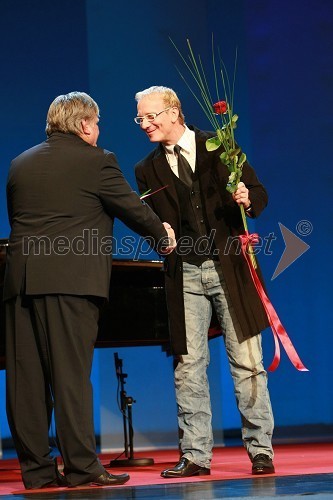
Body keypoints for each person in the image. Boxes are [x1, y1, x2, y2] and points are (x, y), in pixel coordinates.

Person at [4, 91, 176, 489]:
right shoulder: (97, 161)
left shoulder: (19, 164)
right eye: (97, 124)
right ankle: (82, 467)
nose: (99, 131)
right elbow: (130, 207)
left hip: (19, 283)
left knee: (26, 382)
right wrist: (161, 235)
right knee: (70, 377)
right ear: (84, 125)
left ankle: (37, 472)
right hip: (70, 282)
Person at [134, 86, 275, 477]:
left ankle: (260, 449)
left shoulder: (220, 148)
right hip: (185, 272)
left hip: (230, 267)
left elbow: (259, 195)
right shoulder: (146, 168)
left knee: (248, 361)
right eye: (139, 119)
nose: (144, 124)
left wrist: (248, 198)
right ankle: (195, 453)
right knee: (188, 363)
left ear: (174, 112)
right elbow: (153, 223)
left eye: (150, 116)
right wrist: (157, 231)